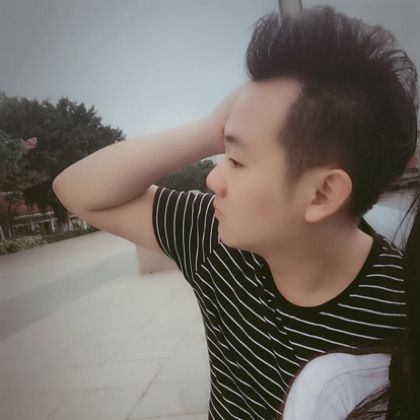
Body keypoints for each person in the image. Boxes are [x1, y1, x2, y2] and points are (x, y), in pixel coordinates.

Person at [52, 6, 418, 419]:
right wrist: (212, 129)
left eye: (237, 161)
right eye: (222, 155)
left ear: (322, 194)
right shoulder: (212, 236)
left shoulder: (400, 308)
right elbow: (76, 190)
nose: (213, 179)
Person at [280, 189, 420, 419]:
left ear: (324, 192)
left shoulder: (388, 293)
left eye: (239, 168)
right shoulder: (337, 389)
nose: (217, 182)